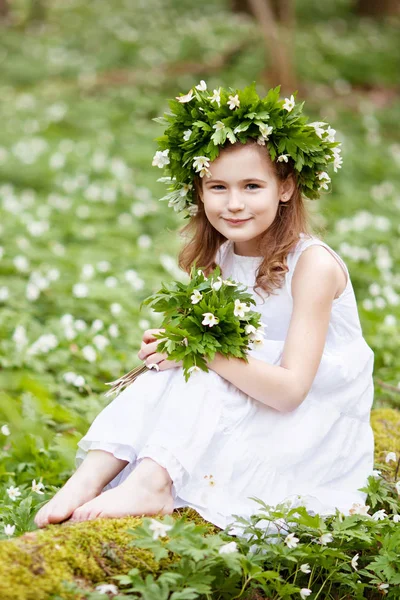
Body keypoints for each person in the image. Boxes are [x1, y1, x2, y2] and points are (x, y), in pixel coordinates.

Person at [34, 83, 375, 530]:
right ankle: (88, 478)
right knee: (180, 371)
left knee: (205, 366)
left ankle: (153, 484)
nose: (234, 204)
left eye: (252, 186)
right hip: (255, 402)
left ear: (286, 187)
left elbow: (291, 390)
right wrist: (172, 346)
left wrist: (197, 349)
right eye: (218, 186)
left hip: (314, 426)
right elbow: (211, 348)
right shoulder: (221, 257)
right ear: (199, 190)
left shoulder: (313, 267)